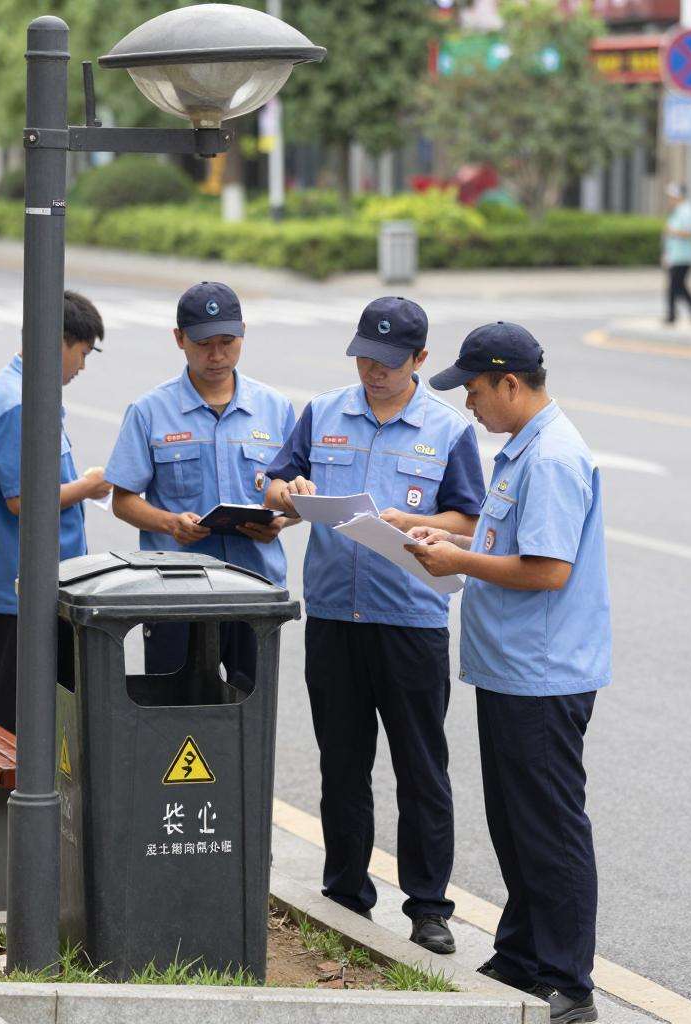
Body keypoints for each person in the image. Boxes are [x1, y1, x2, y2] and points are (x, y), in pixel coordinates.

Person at [264, 297, 485, 954]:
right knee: (343, 762)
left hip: (411, 619)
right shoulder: (324, 411)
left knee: (420, 767)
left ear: (420, 360)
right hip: (334, 615)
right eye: (364, 356)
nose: (373, 371)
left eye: (388, 362)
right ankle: (345, 892)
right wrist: (287, 495)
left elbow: (468, 522)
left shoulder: (449, 431)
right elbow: (277, 486)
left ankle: (428, 906)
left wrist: (399, 522)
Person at [405, 322, 611, 1024]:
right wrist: (444, 533)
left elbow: (549, 570)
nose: (468, 404)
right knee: (516, 824)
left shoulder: (551, 458)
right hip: (510, 669)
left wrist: (457, 560)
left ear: (511, 385)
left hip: (543, 675)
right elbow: (502, 535)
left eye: (474, 390)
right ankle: (523, 954)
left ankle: (569, 980)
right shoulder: (520, 451)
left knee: (548, 827)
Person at [104, 281, 294, 684]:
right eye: (204, 343)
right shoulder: (149, 411)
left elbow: (295, 495)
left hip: (254, 591)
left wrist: (280, 521)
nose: (217, 355)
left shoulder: (275, 409)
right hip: (176, 594)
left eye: (228, 341)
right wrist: (170, 523)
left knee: (249, 719)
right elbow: (123, 500)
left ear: (243, 333)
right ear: (179, 338)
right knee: (174, 717)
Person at [0, 291, 110, 732]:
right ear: (57, 342)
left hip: (27, 585)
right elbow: (24, 502)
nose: (83, 367)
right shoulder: (18, 403)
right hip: (19, 593)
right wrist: (88, 486)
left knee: (38, 720)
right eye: (82, 354)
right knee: (13, 726)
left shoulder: (22, 392)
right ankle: (1, 804)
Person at [662, 183, 691, 325]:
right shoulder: (677, 211)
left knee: (674, 286)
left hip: (684, 256)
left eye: (672, 196)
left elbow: (689, 232)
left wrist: (672, 232)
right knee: (679, 286)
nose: (670, 199)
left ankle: (672, 315)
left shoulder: (688, 211)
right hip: (675, 255)